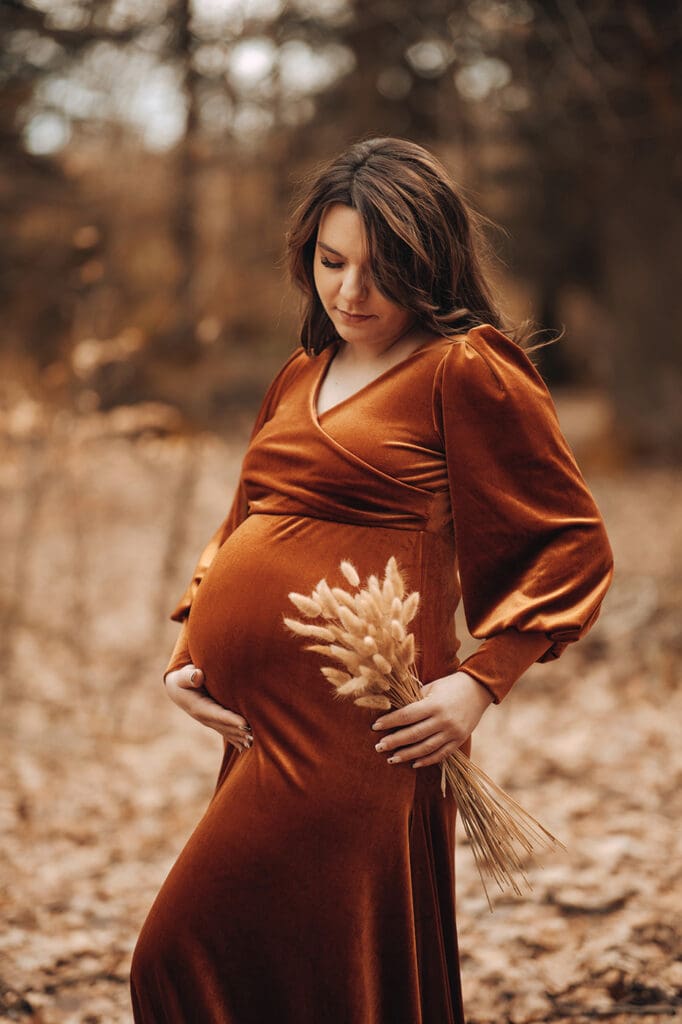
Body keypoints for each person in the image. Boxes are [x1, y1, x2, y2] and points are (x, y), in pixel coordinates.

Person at [130, 136, 613, 1023]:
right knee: (311, 971)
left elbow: (570, 543)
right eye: (332, 261)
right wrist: (190, 649)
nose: (352, 291)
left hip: (365, 731)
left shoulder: (464, 368)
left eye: (382, 268)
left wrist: (480, 683)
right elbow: (243, 521)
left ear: (431, 264)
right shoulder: (300, 372)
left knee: (176, 955)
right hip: (257, 729)